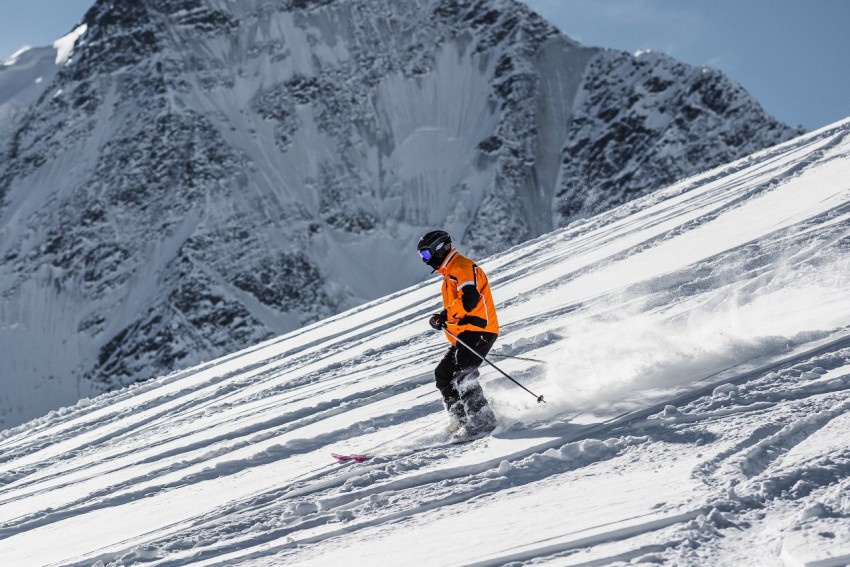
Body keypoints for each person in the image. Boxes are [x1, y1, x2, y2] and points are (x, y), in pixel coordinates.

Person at [417, 230, 499, 436]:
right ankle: (460, 419)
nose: (425, 261)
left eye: (425, 255)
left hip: (480, 329)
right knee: (443, 374)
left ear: (438, 249)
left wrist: (445, 315)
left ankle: (482, 420)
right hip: (465, 334)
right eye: (421, 257)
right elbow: (460, 306)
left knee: (463, 373)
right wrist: (443, 318)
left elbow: (469, 301)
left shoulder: (461, 267)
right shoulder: (450, 273)